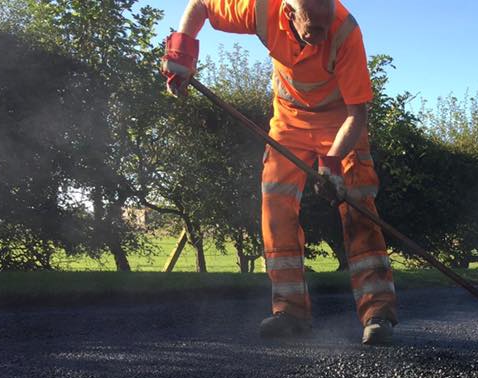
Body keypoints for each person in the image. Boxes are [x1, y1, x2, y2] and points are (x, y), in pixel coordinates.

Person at [161, 0, 397, 345]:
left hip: (341, 127)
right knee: (275, 207)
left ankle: (378, 314)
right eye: (312, 27)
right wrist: (181, 54)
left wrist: (331, 164)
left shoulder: (346, 31)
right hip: (289, 125)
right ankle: (290, 313)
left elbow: (356, 114)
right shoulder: (261, 10)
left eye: (325, 24)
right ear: (289, 12)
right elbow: (201, 6)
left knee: (359, 209)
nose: (321, 33)